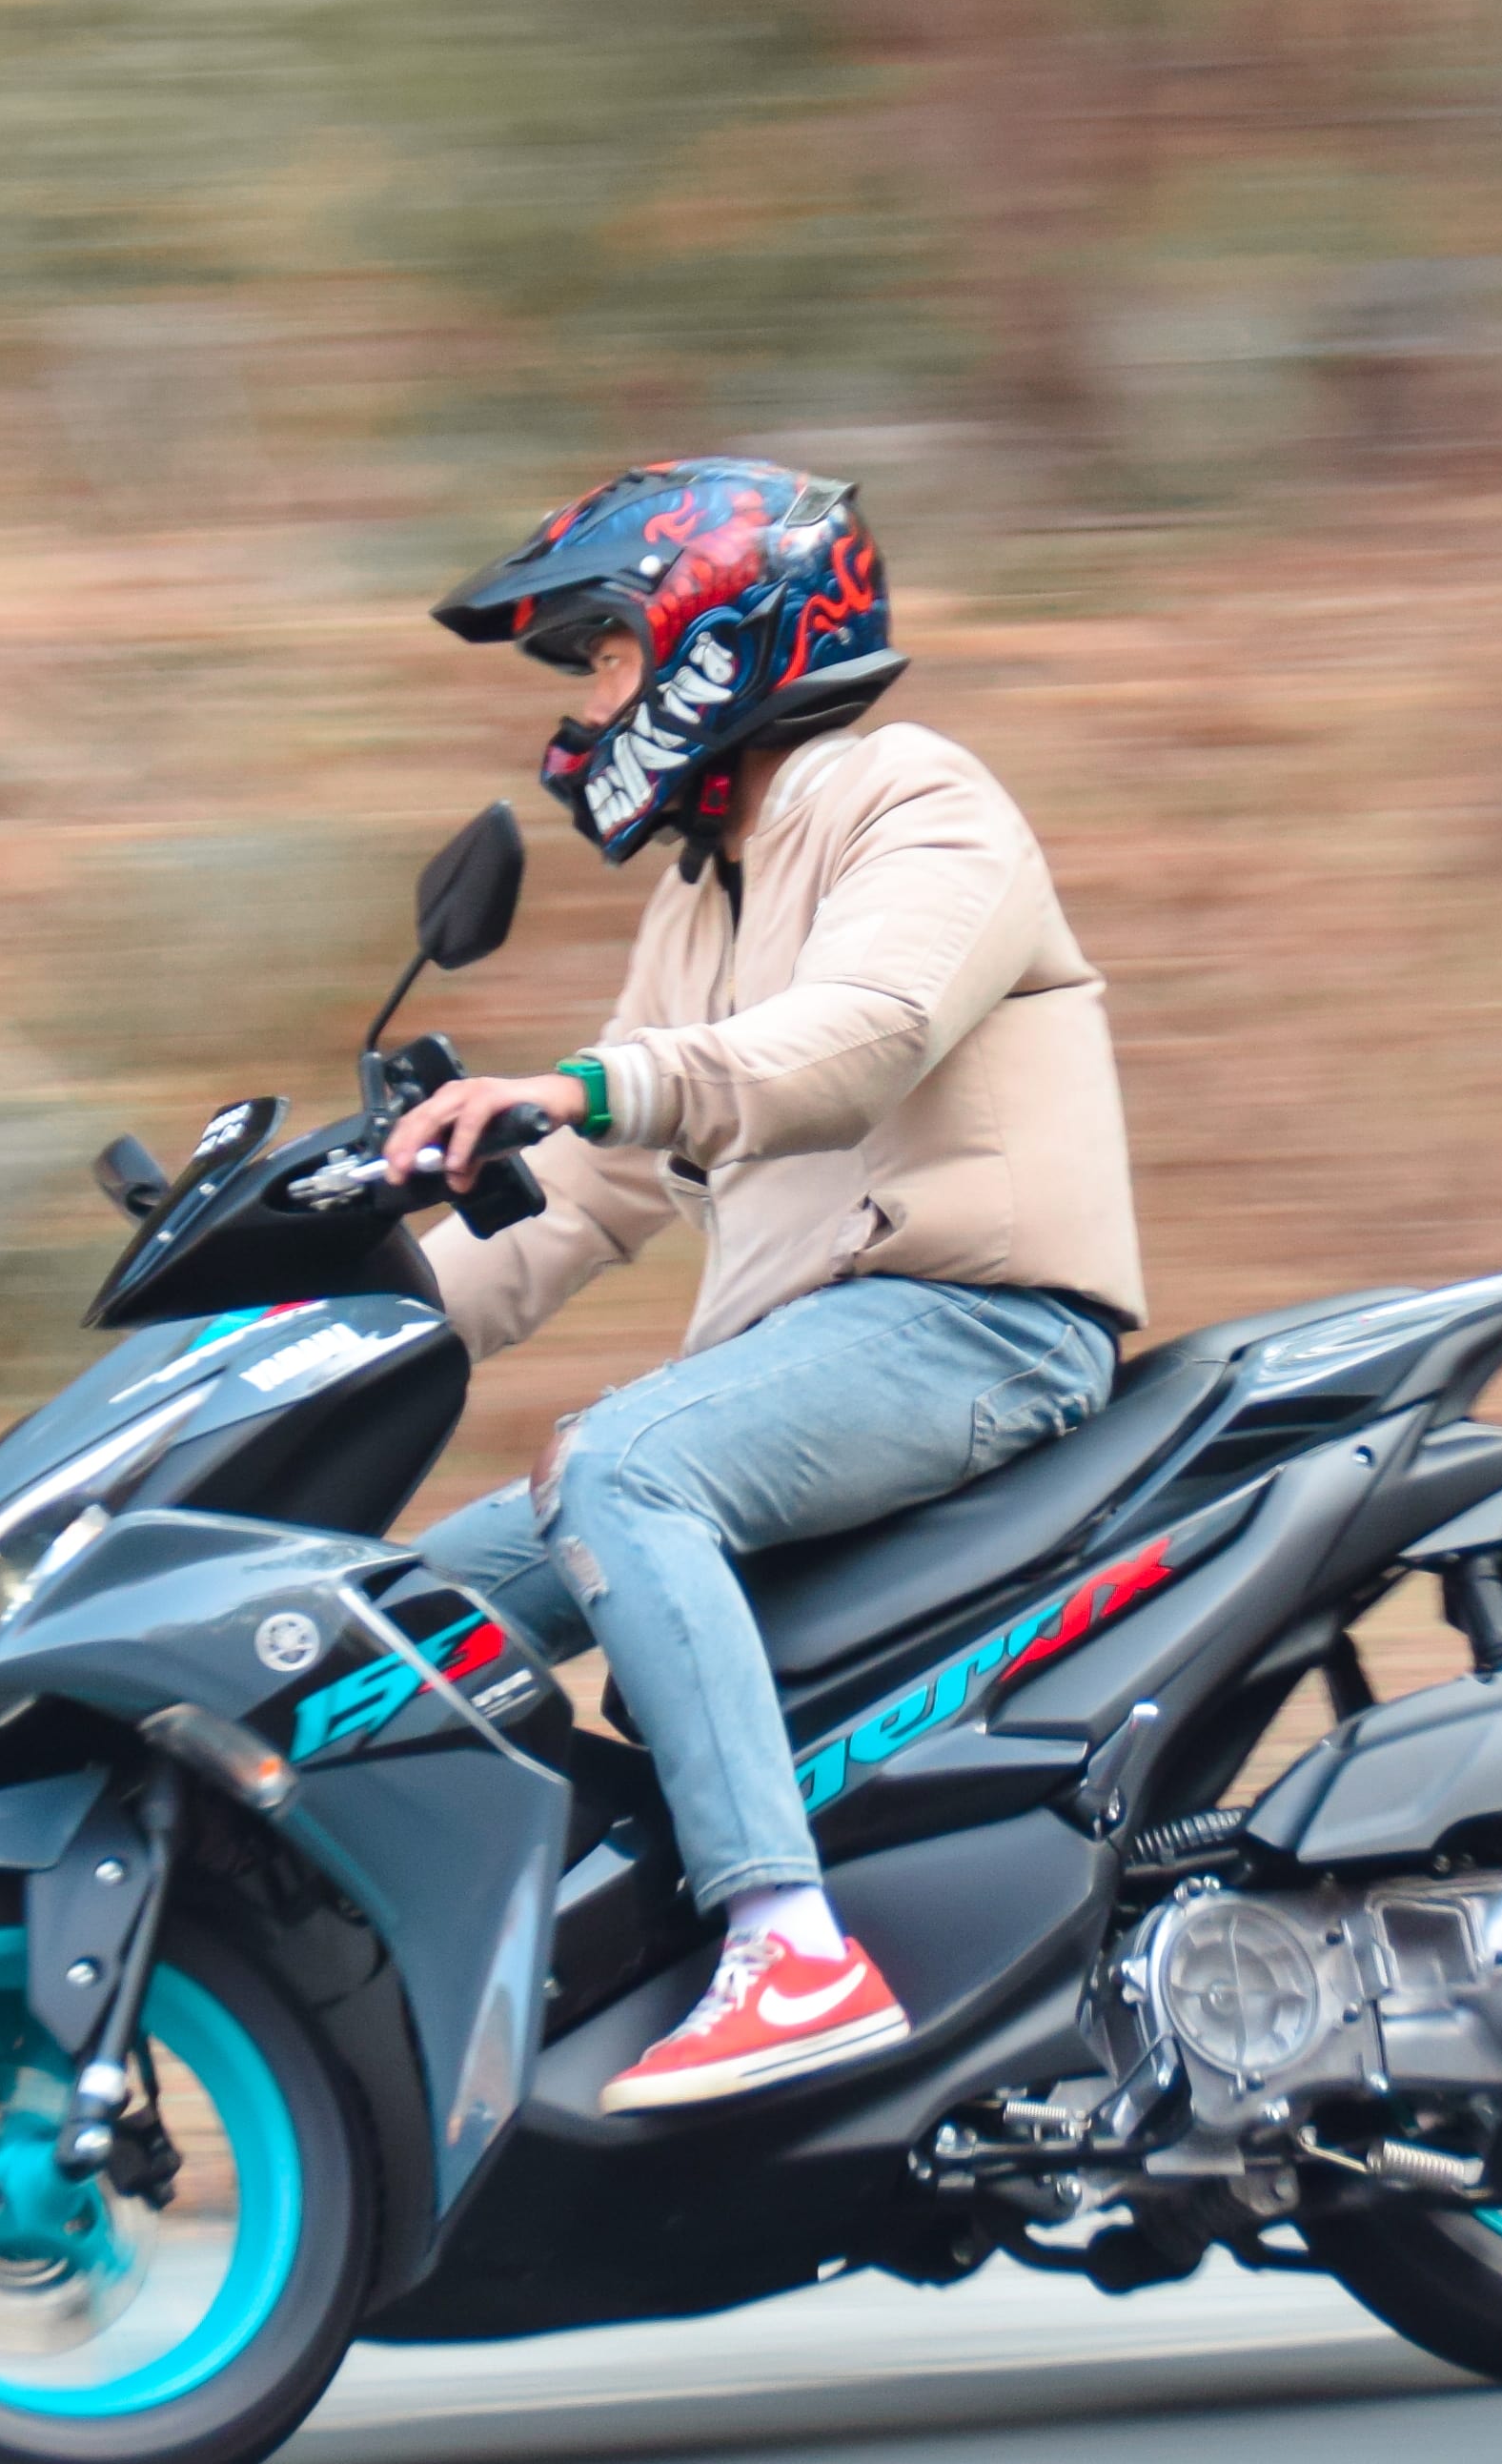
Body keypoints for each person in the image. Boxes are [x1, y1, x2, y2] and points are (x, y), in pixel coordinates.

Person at [389, 458, 1146, 2114]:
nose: (586, 711)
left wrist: (577, 1086)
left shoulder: (913, 800)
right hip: (823, 1348)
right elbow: (585, 1195)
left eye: (600, 658)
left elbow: (855, 1041)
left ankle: (786, 1951)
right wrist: (347, 1329)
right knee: (399, 1631)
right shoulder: (703, 895)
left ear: (712, 636)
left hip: (977, 1322)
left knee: (620, 1463)